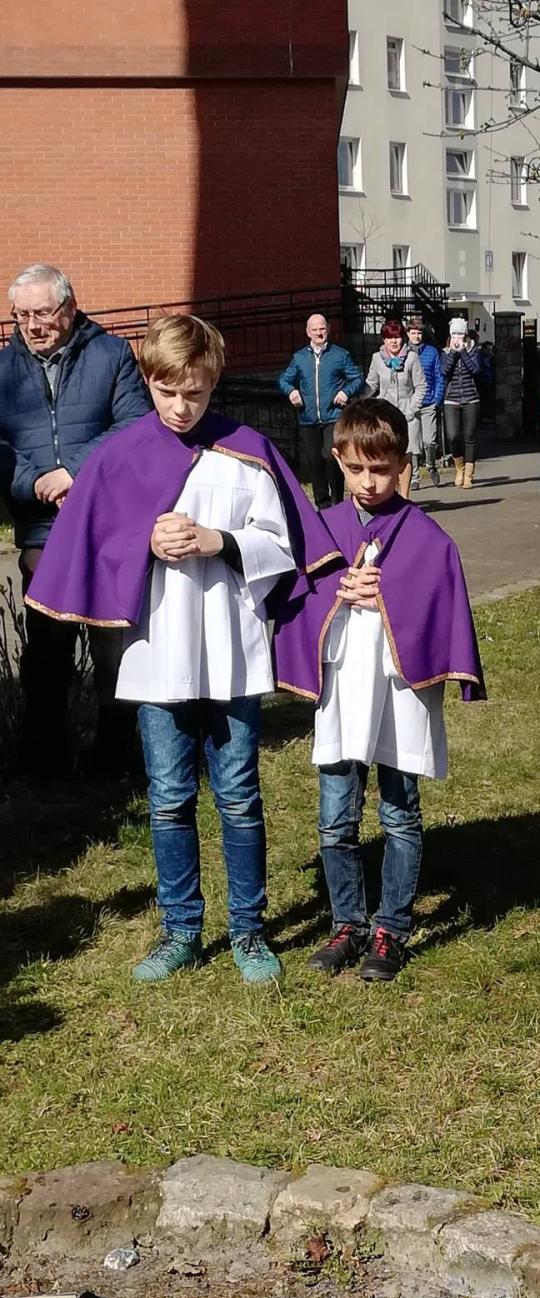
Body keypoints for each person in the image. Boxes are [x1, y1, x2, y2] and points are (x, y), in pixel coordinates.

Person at [25, 314, 339, 985]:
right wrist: (144, 541)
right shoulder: (120, 455)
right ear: (148, 379)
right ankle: (181, 930)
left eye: (193, 392)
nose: (180, 406)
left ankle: (248, 930)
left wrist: (218, 542)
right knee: (168, 797)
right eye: (167, 392)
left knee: (239, 795)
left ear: (214, 381)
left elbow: (284, 544)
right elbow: (93, 542)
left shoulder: (247, 451)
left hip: (230, 649)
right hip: (159, 651)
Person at [272, 398, 485, 983]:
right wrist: (337, 591)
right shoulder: (322, 530)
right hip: (343, 687)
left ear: (403, 465)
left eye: (382, 470)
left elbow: (439, 602)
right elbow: (295, 594)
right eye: (357, 468)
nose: (369, 482)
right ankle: (347, 923)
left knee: (399, 814)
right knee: (335, 819)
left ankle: (391, 927)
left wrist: (387, 594)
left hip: (400, 691)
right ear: (337, 458)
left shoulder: (427, 538)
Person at [0, 262, 149, 777]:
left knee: (112, 650)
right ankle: (41, 764)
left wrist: (74, 473)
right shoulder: (4, 370)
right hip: (45, 529)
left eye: (42, 313)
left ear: (69, 307)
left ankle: (114, 761)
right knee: (46, 652)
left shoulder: (111, 355)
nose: (32, 325)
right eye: (21, 315)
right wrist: (33, 482)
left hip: (109, 523)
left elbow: (135, 423)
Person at [278, 313, 363, 510]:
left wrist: (345, 392)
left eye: (322, 329)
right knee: (314, 461)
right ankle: (322, 505)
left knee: (330, 457)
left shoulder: (340, 355)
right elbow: (284, 380)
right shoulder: (300, 357)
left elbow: (357, 378)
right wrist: (291, 391)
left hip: (333, 416)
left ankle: (337, 500)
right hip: (308, 418)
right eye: (315, 329)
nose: (319, 333)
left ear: (328, 330)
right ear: (308, 332)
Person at [363, 320, 425, 501]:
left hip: (408, 413)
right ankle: (389, 496)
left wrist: (412, 409)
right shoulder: (377, 358)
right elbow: (371, 384)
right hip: (385, 414)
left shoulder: (412, 358)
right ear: (384, 340)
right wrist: (359, 400)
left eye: (397, 337)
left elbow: (421, 386)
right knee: (386, 455)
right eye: (389, 338)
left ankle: (404, 498)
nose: (394, 341)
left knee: (405, 455)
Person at [441, 318, 481, 488]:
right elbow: (444, 371)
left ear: (465, 336)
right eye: (454, 335)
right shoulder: (445, 352)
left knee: (469, 437)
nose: (457, 338)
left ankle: (469, 475)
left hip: (471, 398)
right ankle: (459, 467)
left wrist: (463, 353)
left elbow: (475, 370)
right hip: (451, 399)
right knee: (453, 436)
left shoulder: (473, 351)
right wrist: (452, 353)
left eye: (460, 335)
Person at [406, 317, 444, 489]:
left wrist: (437, 399)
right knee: (412, 443)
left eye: (419, 333)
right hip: (411, 404)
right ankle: (414, 476)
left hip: (429, 403)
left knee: (430, 440)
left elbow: (439, 376)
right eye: (413, 333)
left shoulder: (431, 352)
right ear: (408, 334)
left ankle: (431, 465)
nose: (416, 336)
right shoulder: (404, 352)